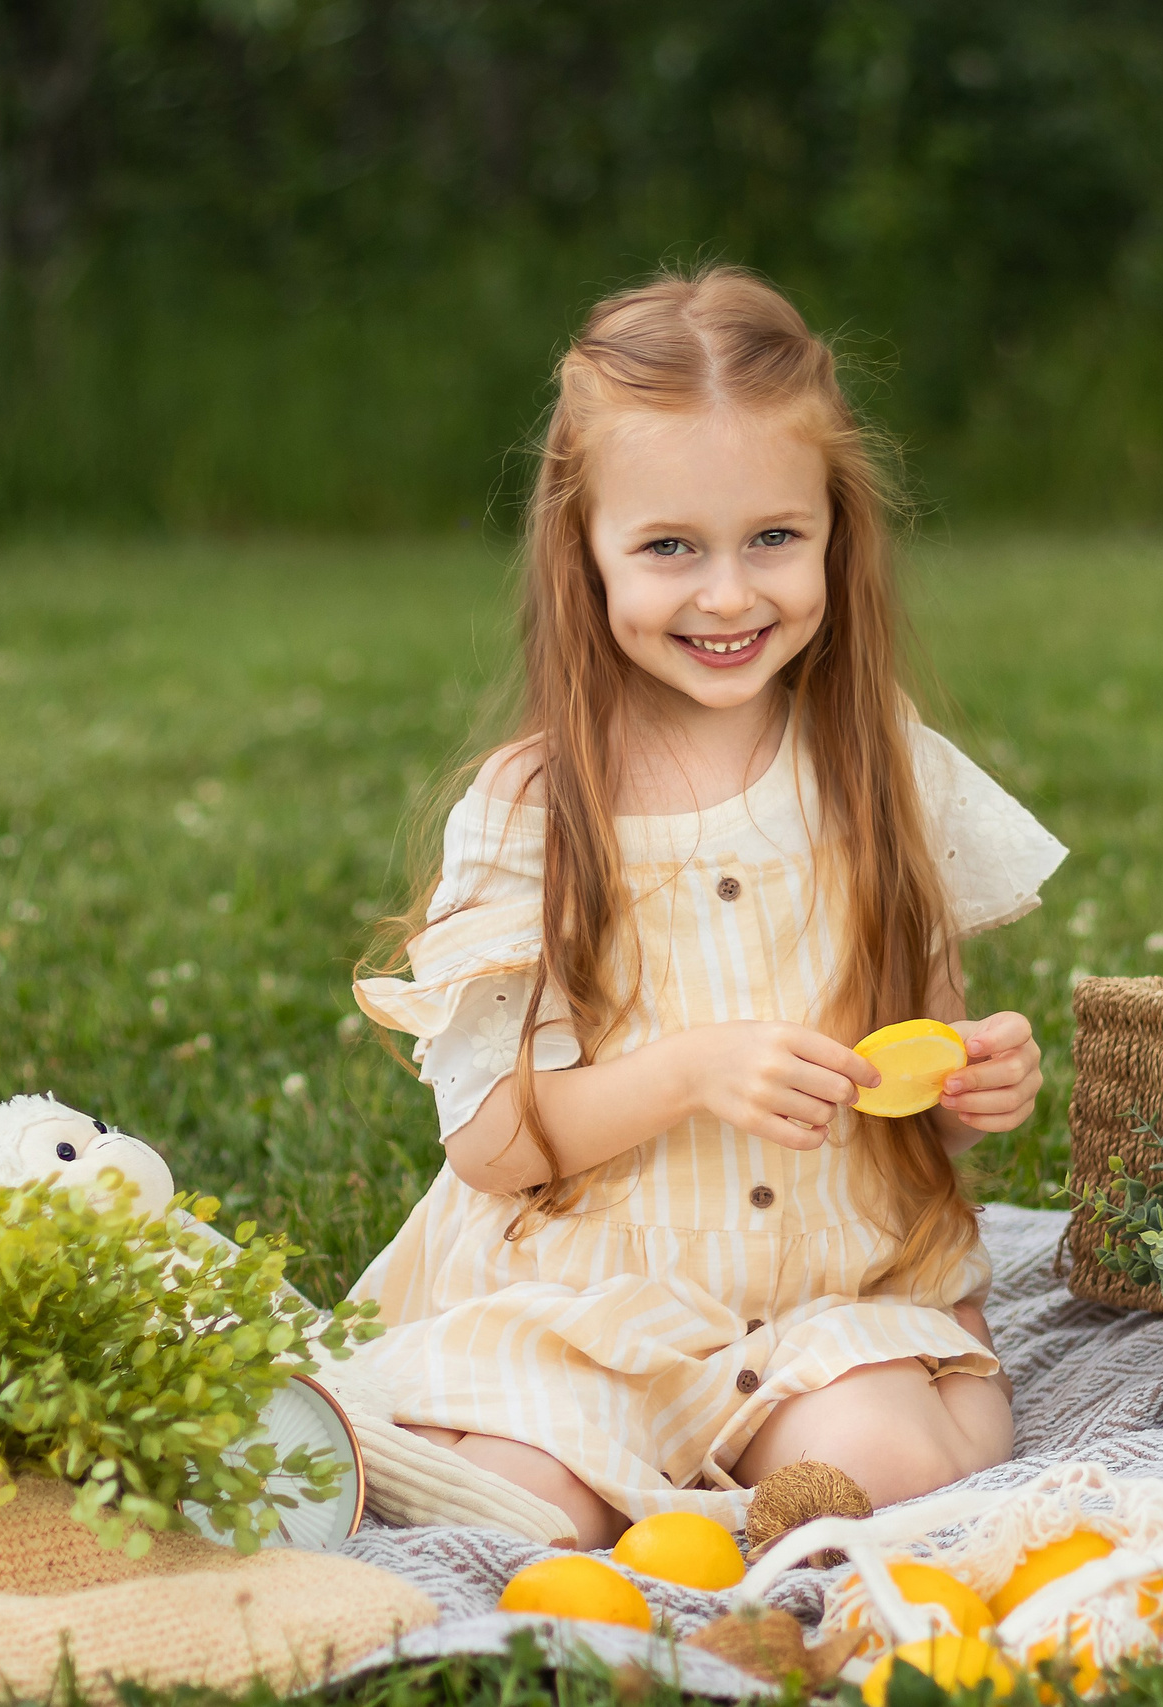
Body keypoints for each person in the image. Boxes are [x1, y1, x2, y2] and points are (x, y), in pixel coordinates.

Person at [349, 266, 1066, 1548]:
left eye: (773, 540)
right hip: (590, 1296)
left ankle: (732, 1514)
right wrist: (690, 1072)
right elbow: (494, 1147)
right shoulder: (533, 811)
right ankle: (600, 1489)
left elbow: (912, 1078)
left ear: (836, 534)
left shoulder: (882, 772)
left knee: (890, 1456)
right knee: (518, 1504)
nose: (729, 596)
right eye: (670, 547)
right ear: (585, 552)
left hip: (818, 1294)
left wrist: (966, 1092)